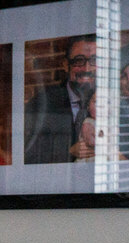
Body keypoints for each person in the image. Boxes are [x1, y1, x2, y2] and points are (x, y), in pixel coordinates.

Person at [23, 34, 97, 163]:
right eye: (79, 61)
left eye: (95, 60)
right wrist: (69, 152)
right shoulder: (40, 105)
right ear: (66, 65)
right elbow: (29, 156)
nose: (87, 68)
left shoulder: (112, 101)